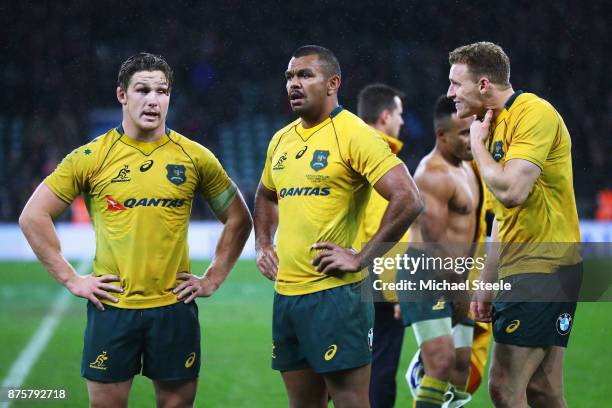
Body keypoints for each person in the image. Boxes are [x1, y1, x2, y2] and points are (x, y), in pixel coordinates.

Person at [19, 52, 253, 408]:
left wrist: (213, 278)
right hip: (112, 307)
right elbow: (33, 216)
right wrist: (71, 279)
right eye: (142, 90)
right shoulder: (90, 157)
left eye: (162, 91)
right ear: (122, 95)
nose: (153, 100)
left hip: (175, 308)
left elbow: (239, 218)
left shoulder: (195, 157)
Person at [254, 45, 423, 408]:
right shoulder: (281, 140)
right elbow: (266, 195)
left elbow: (408, 198)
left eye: (304, 75)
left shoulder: (355, 134)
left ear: (333, 83)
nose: (293, 84)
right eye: (289, 77)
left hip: (336, 297)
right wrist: (263, 245)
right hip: (287, 296)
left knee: (350, 401)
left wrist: (361, 257)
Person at [447, 42, 581, 407]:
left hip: (543, 268)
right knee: (544, 390)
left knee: (504, 387)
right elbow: (501, 220)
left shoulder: (533, 113)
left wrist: (477, 147)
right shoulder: (491, 126)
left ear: (484, 85)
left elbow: (512, 192)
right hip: (523, 268)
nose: (450, 94)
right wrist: (486, 285)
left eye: (456, 84)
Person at [398, 95, 488, 407]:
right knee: (440, 363)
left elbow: (473, 229)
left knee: (461, 366)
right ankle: (423, 370)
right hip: (426, 273)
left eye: (472, 130)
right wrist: (461, 290)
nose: (470, 139)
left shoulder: (469, 168)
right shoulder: (431, 174)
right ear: (441, 135)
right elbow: (434, 245)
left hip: (457, 277)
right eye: (462, 133)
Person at [353, 83, 409, 408]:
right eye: (399, 114)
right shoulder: (379, 156)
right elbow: (381, 225)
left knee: (343, 374)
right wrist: (395, 289)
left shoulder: (349, 147)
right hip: (376, 284)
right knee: (380, 375)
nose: (402, 121)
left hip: (349, 282)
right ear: (385, 116)